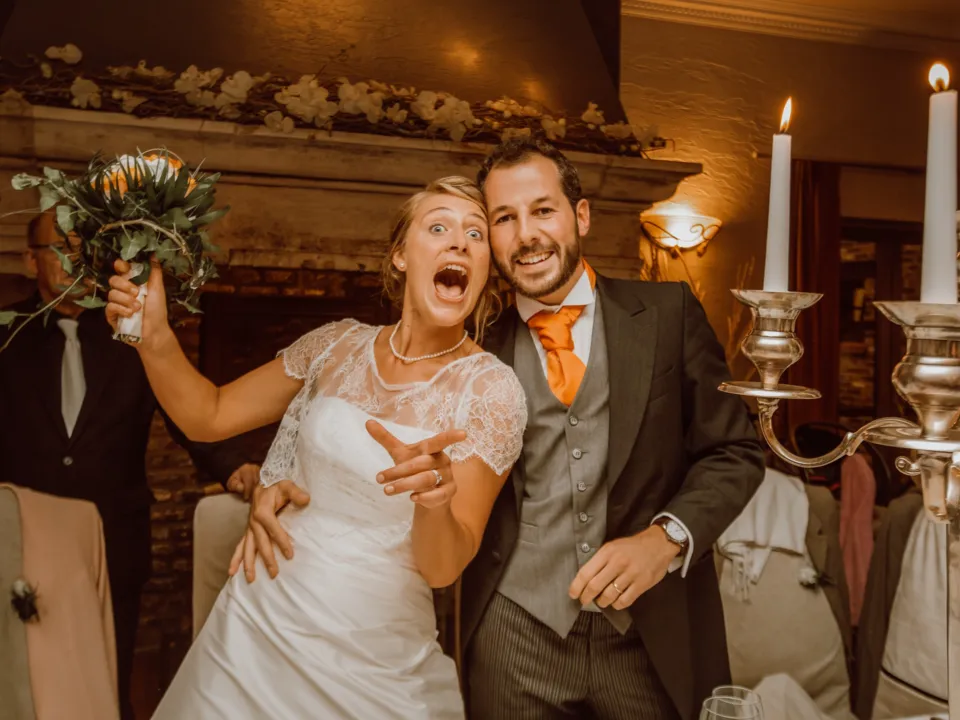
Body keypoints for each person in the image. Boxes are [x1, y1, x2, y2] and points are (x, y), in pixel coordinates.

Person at [105, 176, 527, 719]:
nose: (459, 244)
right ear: (400, 256)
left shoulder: (492, 391)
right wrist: (156, 337)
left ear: (486, 269)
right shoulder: (335, 345)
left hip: (374, 658)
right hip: (261, 620)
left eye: (475, 235)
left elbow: (443, 570)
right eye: (439, 227)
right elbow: (209, 415)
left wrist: (435, 503)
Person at [0, 213, 258, 719]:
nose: (72, 259)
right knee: (26, 676)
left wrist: (233, 466)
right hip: (24, 539)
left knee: (108, 677)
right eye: (58, 248)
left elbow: (185, 411)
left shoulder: (133, 331)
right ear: (31, 260)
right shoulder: (6, 334)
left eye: (81, 248)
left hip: (115, 536)